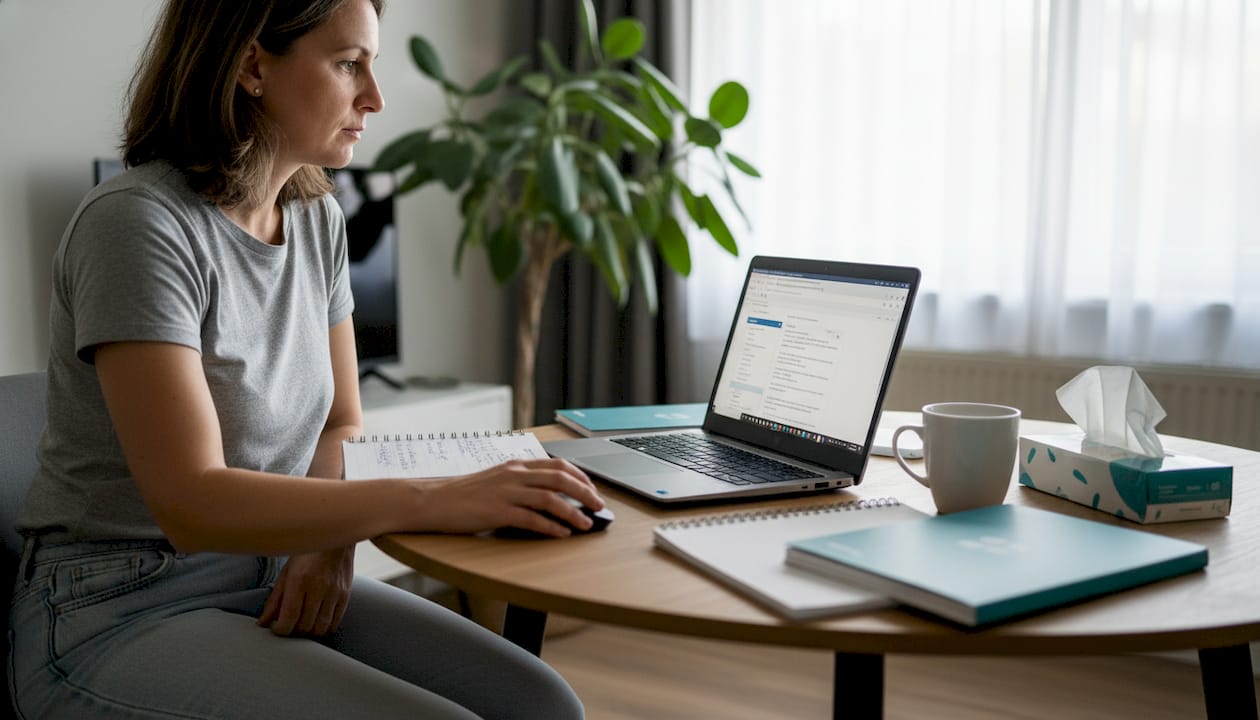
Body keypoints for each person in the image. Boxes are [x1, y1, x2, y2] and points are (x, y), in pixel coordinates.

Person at [7, 1, 602, 717]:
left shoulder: (317, 218)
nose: (374, 98)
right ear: (253, 64)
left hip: (274, 571)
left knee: (543, 704)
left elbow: (340, 423)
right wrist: (439, 496)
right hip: (119, 606)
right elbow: (192, 500)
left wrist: (330, 543)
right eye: (350, 63)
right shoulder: (137, 226)